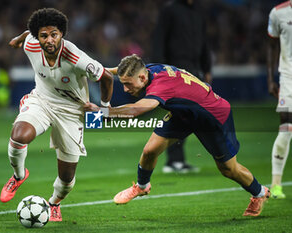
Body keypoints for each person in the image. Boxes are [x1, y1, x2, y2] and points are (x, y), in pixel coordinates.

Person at [85, 54, 270, 217]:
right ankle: (142, 187)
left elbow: (136, 110)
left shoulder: (160, 87)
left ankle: (259, 193)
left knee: (229, 169)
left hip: (212, 117)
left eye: (127, 84)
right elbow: (121, 70)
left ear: (142, 77)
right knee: (150, 150)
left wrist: (103, 114)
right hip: (184, 113)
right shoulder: (148, 69)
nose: (125, 89)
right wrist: (96, 71)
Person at [0, 8, 114, 222]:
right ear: (38, 37)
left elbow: (106, 77)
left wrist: (104, 108)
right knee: (19, 135)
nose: (49, 40)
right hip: (42, 101)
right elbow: (27, 35)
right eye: (44, 35)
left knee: (67, 178)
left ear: (62, 34)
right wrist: (18, 38)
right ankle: (18, 176)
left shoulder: (76, 57)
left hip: (72, 112)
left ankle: (54, 203)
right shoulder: (31, 43)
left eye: (54, 34)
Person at [151, 0, 212, 174]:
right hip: (175, 69)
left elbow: (204, 43)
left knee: (191, 115)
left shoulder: (198, 12)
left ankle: (177, 160)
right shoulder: (169, 10)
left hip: (194, 70)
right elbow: (159, 40)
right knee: (180, 114)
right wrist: (160, 71)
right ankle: (174, 160)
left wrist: (207, 69)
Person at [267, 0, 292, 199]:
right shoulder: (278, 13)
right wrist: (270, 79)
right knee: (286, 128)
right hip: (288, 78)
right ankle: (276, 185)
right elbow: (272, 45)